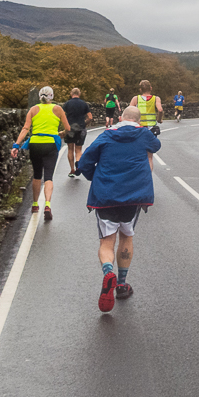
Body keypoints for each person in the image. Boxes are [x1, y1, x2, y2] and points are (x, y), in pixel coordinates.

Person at [77, 105, 161, 312]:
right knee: (127, 237)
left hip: (106, 195)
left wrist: (95, 178)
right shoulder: (143, 135)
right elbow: (156, 145)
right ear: (138, 121)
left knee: (107, 241)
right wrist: (147, 131)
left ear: (120, 117)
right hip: (133, 197)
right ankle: (121, 285)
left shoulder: (106, 136)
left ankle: (108, 273)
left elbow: (85, 162)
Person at [10, 86, 71, 221]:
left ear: (39, 96)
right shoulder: (58, 109)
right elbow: (68, 128)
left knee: (37, 174)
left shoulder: (33, 109)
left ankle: (35, 204)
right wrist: (61, 134)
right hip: (50, 144)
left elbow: (26, 128)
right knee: (48, 176)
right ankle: (47, 204)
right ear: (52, 96)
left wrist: (16, 145)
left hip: (35, 143)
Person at [62, 87, 93, 177]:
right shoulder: (84, 104)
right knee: (78, 150)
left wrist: (65, 125)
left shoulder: (67, 104)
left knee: (70, 149)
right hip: (81, 128)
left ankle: (72, 170)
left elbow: (62, 116)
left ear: (71, 94)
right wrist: (84, 123)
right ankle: (78, 166)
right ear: (79, 94)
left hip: (70, 128)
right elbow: (90, 117)